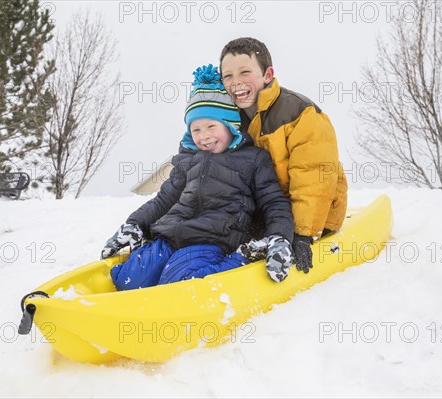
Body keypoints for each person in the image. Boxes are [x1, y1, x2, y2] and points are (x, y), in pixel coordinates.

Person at [100, 64, 295, 290]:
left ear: (230, 125)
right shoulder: (188, 159)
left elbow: (274, 202)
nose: (204, 136)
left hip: (211, 240)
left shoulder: (253, 159)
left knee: (179, 282)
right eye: (196, 130)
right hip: (169, 236)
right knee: (130, 279)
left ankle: (245, 257)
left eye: (211, 126)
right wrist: (134, 225)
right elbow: (163, 200)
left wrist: (280, 237)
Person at [219, 37, 348, 274]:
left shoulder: (300, 113)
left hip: (314, 216)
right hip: (268, 213)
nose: (235, 82)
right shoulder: (228, 121)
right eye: (228, 76)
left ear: (267, 75)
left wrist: (302, 233)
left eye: (244, 72)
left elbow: (314, 174)